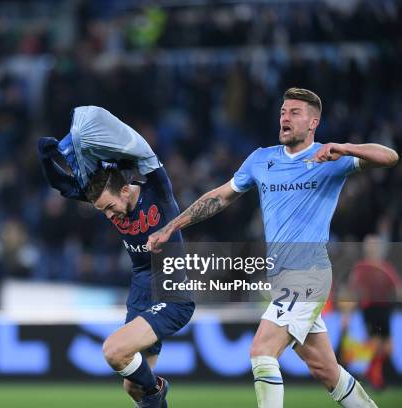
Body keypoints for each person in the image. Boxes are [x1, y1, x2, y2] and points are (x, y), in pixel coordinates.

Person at [147, 88, 398, 407]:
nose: (285, 117)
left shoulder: (329, 157)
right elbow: (219, 197)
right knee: (326, 369)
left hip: (308, 276)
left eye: (295, 112)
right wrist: (172, 226)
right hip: (282, 281)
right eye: (283, 111)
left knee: (262, 350)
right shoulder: (261, 159)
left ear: (313, 123)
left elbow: (390, 157)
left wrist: (345, 147)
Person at [38, 105, 195, 408]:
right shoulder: (105, 194)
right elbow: (63, 185)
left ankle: (156, 391)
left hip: (171, 289)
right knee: (131, 386)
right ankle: (152, 393)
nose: (109, 215)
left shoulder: (157, 191)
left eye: (109, 207)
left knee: (114, 352)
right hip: (140, 286)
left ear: (125, 190)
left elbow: (144, 153)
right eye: (103, 211)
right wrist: (48, 159)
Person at [349, 234, 399, 389]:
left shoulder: (386, 268)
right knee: (376, 343)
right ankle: (376, 378)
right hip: (370, 309)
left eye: (375, 245)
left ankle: (370, 373)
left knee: (388, 347)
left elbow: (397, 289)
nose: (372, 248)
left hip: (385, 308)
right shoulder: (361, 267)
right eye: (370, 245)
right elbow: (353, 288)